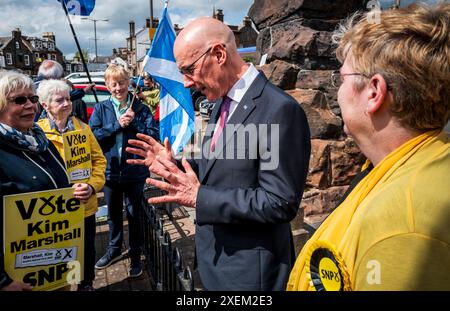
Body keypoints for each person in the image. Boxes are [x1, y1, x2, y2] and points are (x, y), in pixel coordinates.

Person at [127, 17, 311, 290]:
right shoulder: (220, 101)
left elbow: (278, 202)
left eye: (189, 70)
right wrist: (175, 166)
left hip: (249, 275)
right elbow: (218, 164)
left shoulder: (278, 109)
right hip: (215, 261)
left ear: (219, 54)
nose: (186, 83)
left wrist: (200, 196)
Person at [287, 3, 450, 291]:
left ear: (374, 92)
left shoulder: (401, 228)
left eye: (342, 78)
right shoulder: (414, 162)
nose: (337, 90)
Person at [0, 71, 70, 290]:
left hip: (55, 265)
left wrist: (74, 193)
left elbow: (59, 185)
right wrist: (2, 282)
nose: (30, 105)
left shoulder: (41, 141)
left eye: (33, 98)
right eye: (19, 100)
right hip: (18, 276)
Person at [89, 64, 159, 277]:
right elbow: (93, 136)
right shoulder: (102, 109)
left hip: (134, 171)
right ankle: (114, 248)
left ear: (129, 82)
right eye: (114, 84)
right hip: (110, 172)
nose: (118, 87)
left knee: (134, 214)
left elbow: (152, 134)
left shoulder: (141, 108)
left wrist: (133, 122)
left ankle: (136, 253)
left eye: (122, 82)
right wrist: (117, 125)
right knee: (113, 214)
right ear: (108, 86)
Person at [36, 79, 106, 291]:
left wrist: (93, 186)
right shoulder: (37, 133)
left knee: (85, 249)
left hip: (84, 206)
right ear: (45, 105)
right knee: (59, 252)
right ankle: (64, 283)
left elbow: (99, 161)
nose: (67, 104)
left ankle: (85, 284)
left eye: (68, 99)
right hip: (53, 210)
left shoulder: (83, 128)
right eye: (60, 100)